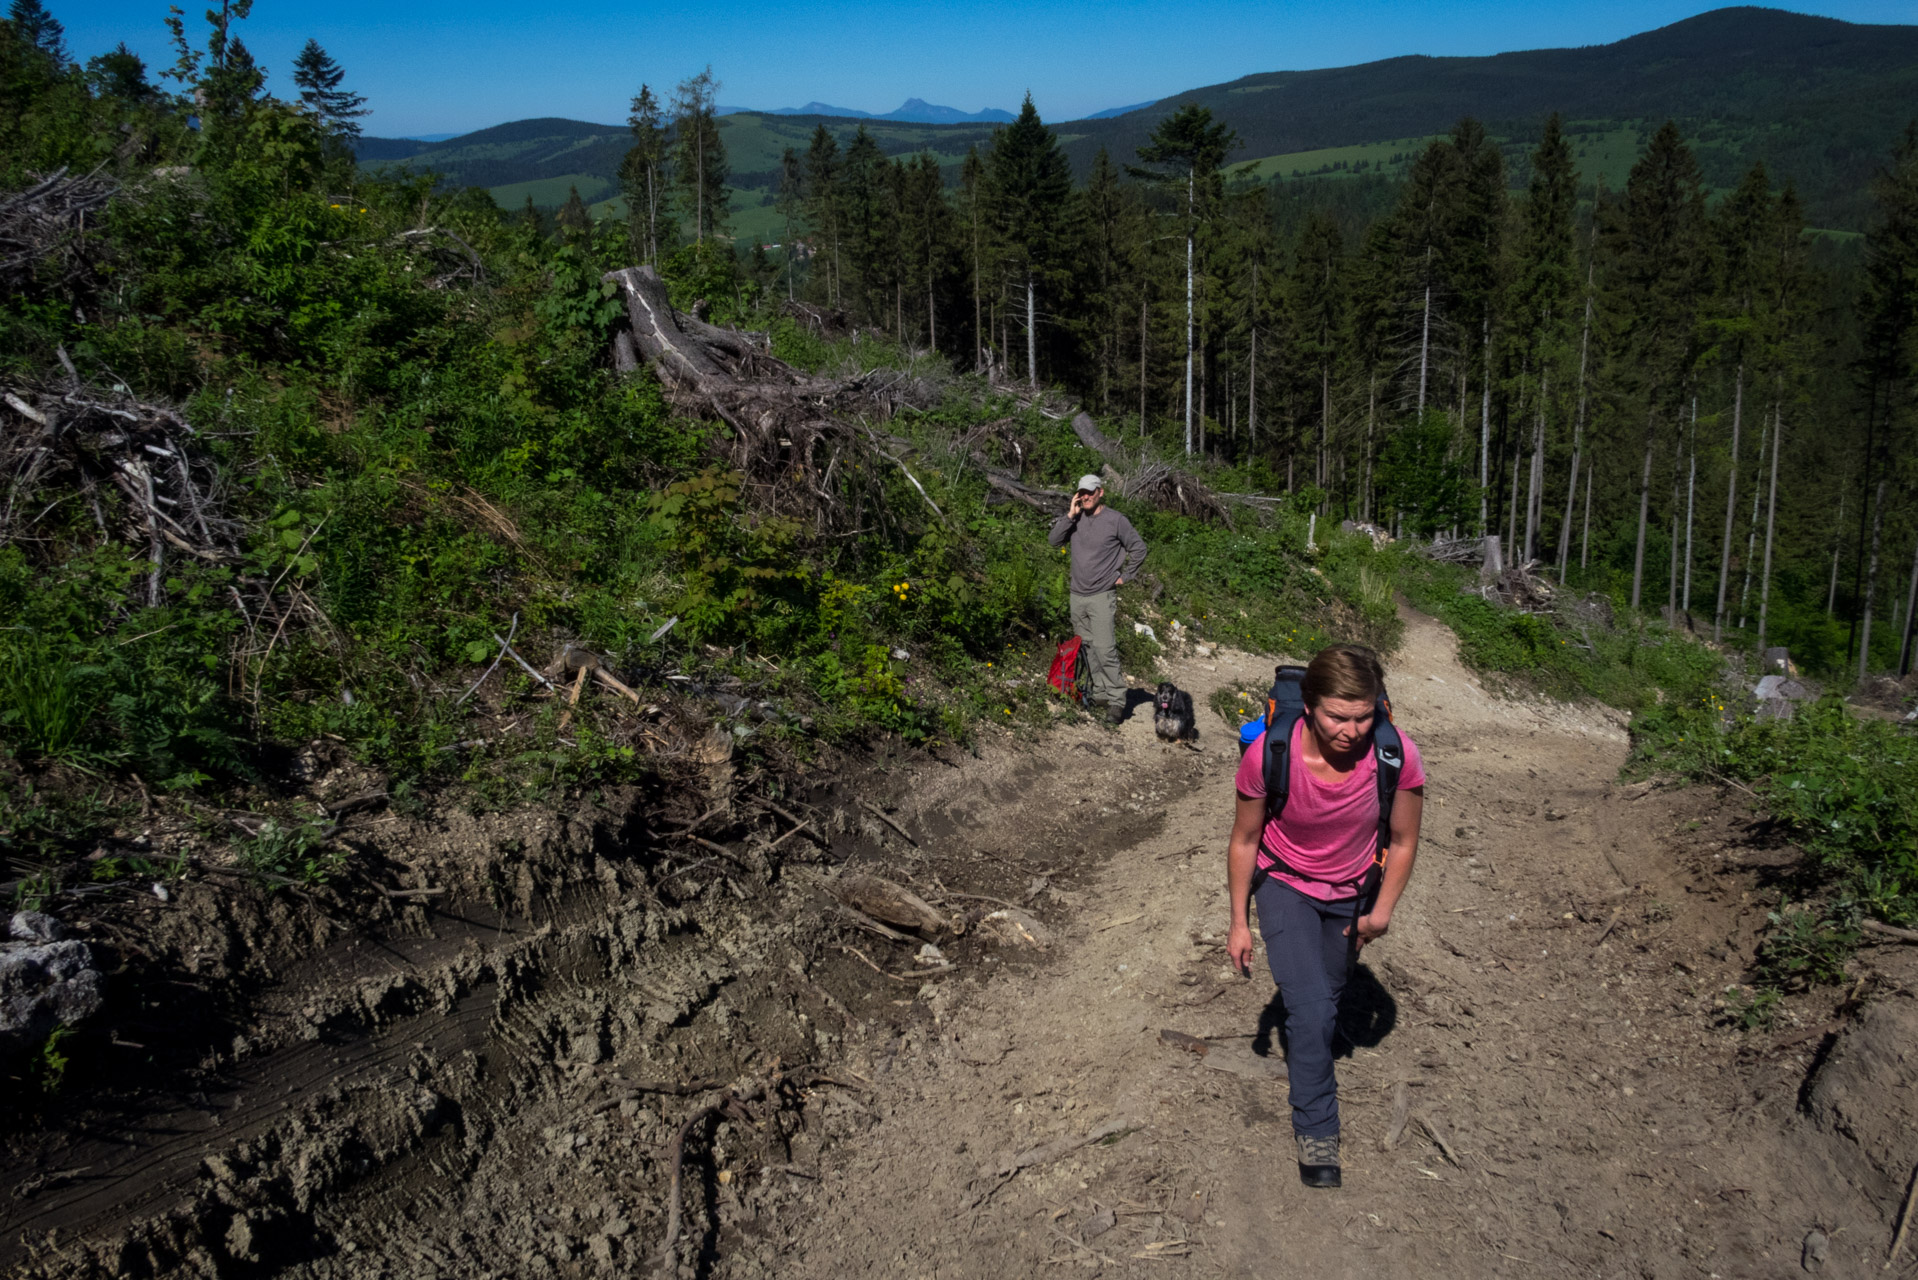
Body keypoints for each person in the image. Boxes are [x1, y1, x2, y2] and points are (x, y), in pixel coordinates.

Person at [1225, 644, 1425, 1188]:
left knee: (1331, 994)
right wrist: (1240, 921)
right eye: (1338, 716)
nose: (1352, 730)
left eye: (1364, 717)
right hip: (1284, 882)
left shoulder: (1394, 753)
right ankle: (1317, 1128)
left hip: (1353, 891)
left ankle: (1313, 1043)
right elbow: (1245, 838)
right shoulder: (1269, 753)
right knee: (1311, 1011)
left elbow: (1404, 840)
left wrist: (1381, 913)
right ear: (1310, 705)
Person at [1047, 475, 1147, 724]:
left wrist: (1125, 576)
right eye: (1081, 492)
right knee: (1088, 646)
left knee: (1105, 648)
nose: (1085, 496)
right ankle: (1100, 693)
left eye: (1090, 492)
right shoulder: (1076, 518)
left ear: (1100, 492)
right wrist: (1070, 515)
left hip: (1102, 594)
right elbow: (1053, 541)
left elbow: (1139, 548)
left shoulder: (1116, 520)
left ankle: (1116, 700)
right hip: (1077, 594)